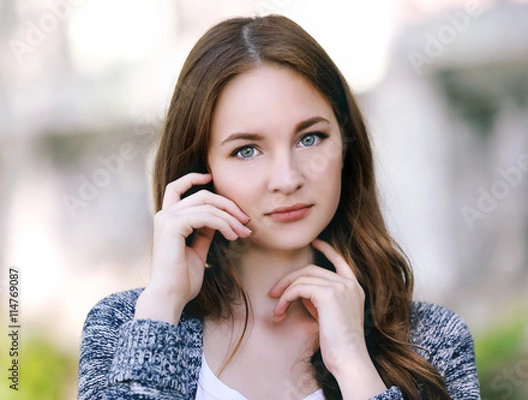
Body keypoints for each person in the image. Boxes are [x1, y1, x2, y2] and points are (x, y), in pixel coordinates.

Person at [77, 14, 480, 400]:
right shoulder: (126, 325)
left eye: (310, 138)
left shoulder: (430, 341)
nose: (287, 179)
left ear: (346, 147)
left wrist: (354, 364)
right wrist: (163, 301)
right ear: (202, 169)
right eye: (247, 150)